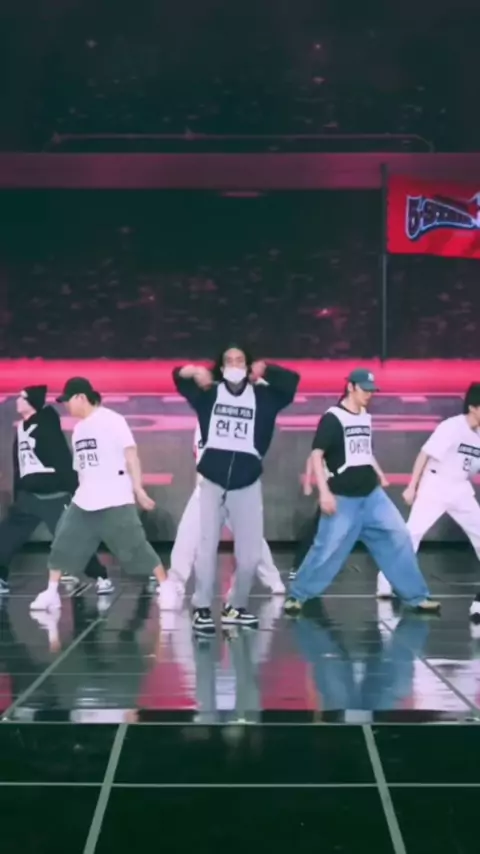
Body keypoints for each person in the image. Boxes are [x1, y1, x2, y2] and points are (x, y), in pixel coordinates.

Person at [284, 368, 441, 615]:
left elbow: (365, 452)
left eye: (371, 390)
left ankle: (417, 596)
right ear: (351, 387)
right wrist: (324, 493)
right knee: (326, 549)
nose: (369, 394)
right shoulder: (333, 418)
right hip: (343, 497)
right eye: (364, 389)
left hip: (372, 496)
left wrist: (380, 475)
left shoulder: (365, 416)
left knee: (399, 536)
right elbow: (316, 454)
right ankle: (298, 595)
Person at [173, 346, 299, 635]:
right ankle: (202, 607)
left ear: (248, 366)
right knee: (206, 548)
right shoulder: (208, 394)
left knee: (251, 555)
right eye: (228, 361)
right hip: (212, 482)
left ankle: (235, 606)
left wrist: (266, 369)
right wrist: (195, 371)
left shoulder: (264, 397)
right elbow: (178, 378)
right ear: (221, 367)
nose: (234, 365)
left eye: (240, 360)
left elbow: (291, 384)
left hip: (247, 482)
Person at [29, 377, 174, 612]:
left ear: (81, 397)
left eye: (68, 400)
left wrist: (138, 488)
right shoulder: (78, 430)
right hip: (85, 499)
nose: (66, 406)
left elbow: (131, 456)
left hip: (114, 496)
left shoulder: (112, 420)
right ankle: (51, 592)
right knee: (63, 543)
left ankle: (166, 586)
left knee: (135, 546)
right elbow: (81, 469)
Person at [377, 382, 480, 622]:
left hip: (460, 488)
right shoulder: (452, 426)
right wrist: (412, 486)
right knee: (412, 534)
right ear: (474, 407)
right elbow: (425, 454)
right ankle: (386, 579)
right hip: (436, 483)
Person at [0, 385, 112, 597]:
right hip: (28, 497)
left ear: (32, 402)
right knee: (6, 536)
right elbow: (19, 465)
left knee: (72, 540)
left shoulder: (46, 425)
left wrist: (75, 490)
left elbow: (62, 458)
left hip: (53, 495)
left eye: (22, 398)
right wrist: (18, 493)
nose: (17, 401)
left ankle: (101, 577)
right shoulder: (21, 428)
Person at [164, 421, 285, 596]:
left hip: (235, 489)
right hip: (205, 490)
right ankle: (175, 582)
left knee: (252, 539)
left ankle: (273, 581)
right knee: (186, 537)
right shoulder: (200, 425)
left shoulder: (234, 419)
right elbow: (199, 460)